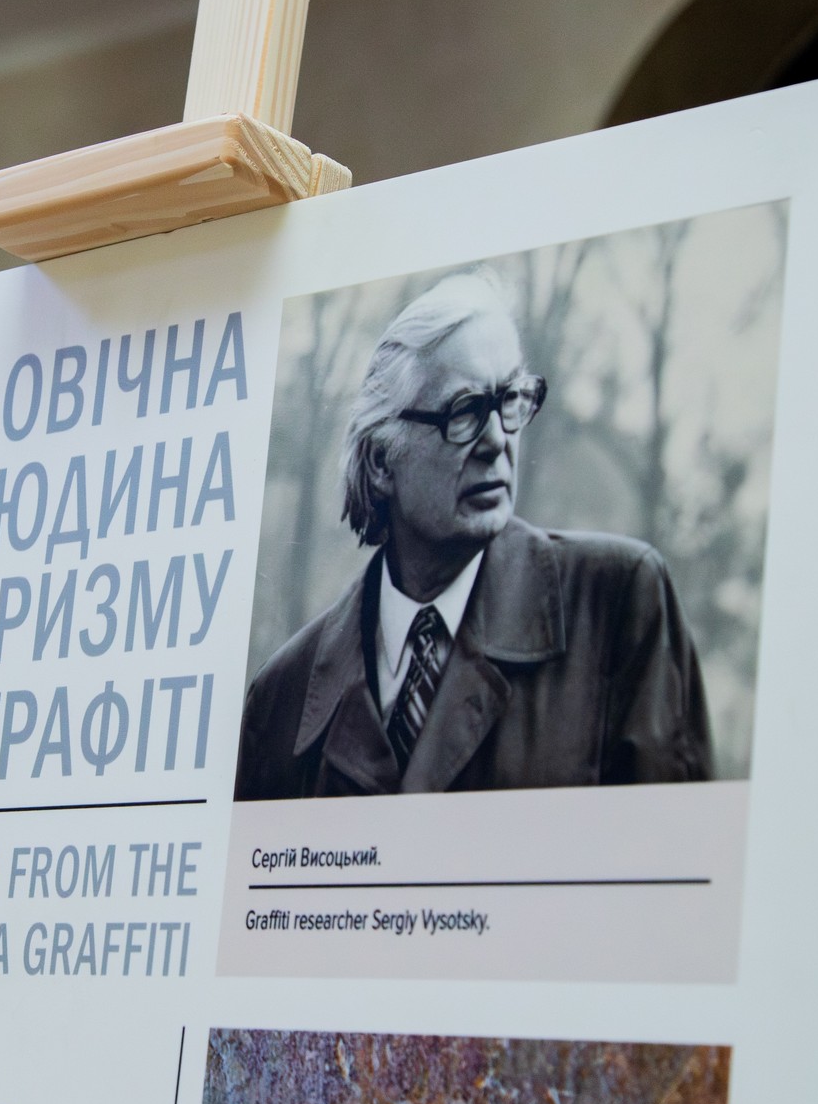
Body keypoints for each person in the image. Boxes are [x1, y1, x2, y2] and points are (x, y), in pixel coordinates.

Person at [235, 270, 712, 799]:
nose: (497, 440)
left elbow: (677, 844)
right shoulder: (281, 695)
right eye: (463, 412)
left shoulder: (617, 604)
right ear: (381, 462)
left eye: (510, 400)